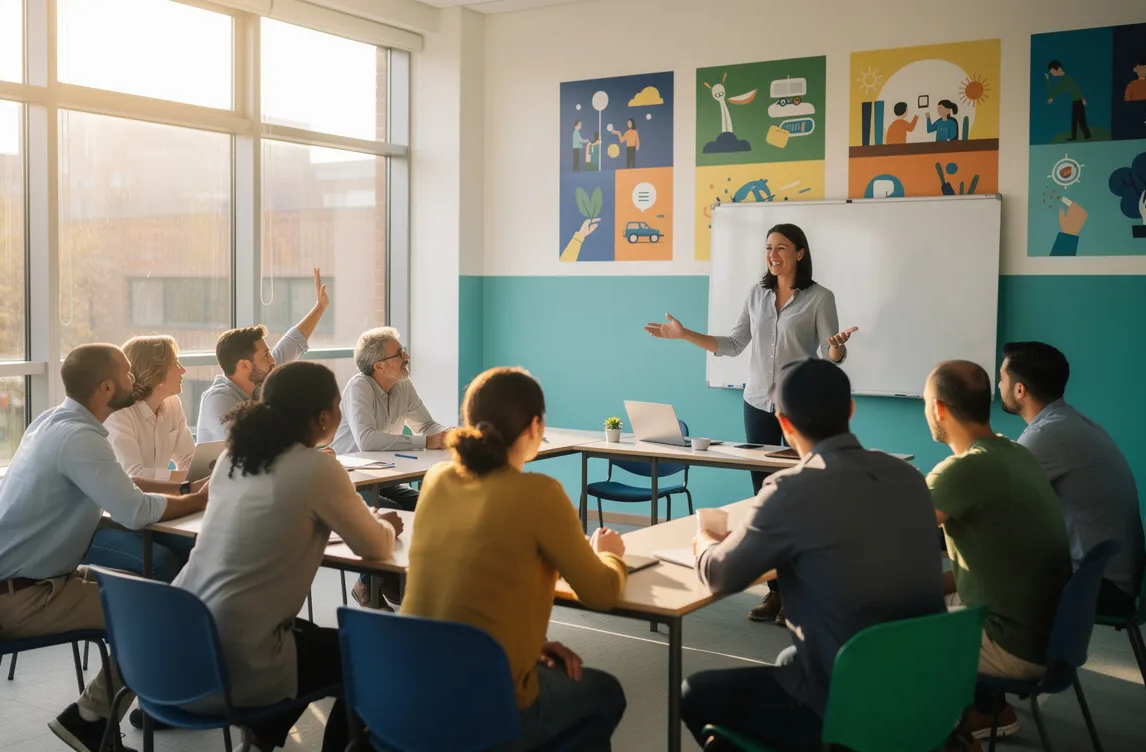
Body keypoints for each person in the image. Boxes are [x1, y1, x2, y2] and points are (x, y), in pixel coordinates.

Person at [681, 358, 945, 751]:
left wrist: (704, 540)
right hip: (926, 686)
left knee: (694, 691)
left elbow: (721, 575)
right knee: (789, 657)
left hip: (844, 701)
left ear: (784, 424)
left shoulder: (791, 488)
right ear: (852, 409)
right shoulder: (908, 476)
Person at [0, 344, 210, 752]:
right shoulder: (81, 438)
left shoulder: (52, 422)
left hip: (16, 587)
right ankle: (90, 718)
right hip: (20, 600)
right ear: (107, 386)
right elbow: (134, 510)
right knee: (159, 615)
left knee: (148, 595)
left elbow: (124, 489)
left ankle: (107, 715)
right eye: (129, 375)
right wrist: (199, 499)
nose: (135, 381)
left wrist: (183, 491)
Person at [173, 361, 402, 752]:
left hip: (177, 648)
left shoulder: (233, 458)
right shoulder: (317, 468)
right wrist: (388, 527)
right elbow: (374, 547)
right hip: (236, 664)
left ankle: (261, 740)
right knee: (371, 659)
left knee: (310, 639)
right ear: (324, 416)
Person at [401, 367, 628, 751]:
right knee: (606, 693)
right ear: (534, 427)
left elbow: (471, 589)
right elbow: (601, 592)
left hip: (410, 691)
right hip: (486, 704)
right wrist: (610, 557)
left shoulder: (437, 479)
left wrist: (527, 643)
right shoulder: (540, 493)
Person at [644, 223, 856, 624]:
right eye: (768, 248)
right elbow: (733, 344)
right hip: (758, 403)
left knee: (799, 498)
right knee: (763, 499)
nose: (773, 255)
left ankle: (800, 591)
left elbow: (831, 354)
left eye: (781, 248)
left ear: (800, 253)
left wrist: (838, 347)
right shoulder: (756, 295)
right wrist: (683, 334)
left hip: (799, 407)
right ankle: (776, 592)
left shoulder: (820, 298)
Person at [923, 360, 1071, 741]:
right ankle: (987, 711)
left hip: (1014, 647)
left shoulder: (963, 469)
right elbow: (982, 565)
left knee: (873, 630)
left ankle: (930, 733)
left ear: (938, 408)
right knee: (926, 597)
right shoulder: (1015, 452)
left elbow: (885, 535)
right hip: (1051, 635)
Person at [999, 342, 1146, 617]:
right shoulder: (1069, 422)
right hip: (1111, 574)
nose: (998, 385)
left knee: (987, 570)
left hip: (1100, 585)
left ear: (1019, 390)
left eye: (1002, 378)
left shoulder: (1046, 435)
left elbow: (995, 501)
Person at [89, 335, 198, 585]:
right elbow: (133, 475)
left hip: (148, 513)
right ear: (156, 373)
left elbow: (189, 459)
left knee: (200, 549)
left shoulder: (172, 404)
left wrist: (196, 477)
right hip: (110, 521)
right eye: (175, 364)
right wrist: (185, 482)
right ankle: (161, 622)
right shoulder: (119, 415)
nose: (183, 370)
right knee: (162, 562)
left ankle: (193, 621)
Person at [195, 268, 330, 442]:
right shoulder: (218, 399)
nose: (273, 359)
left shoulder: (258, 379)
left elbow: (292, 343)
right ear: (244, 365)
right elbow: (250, 445)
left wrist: (320, 307)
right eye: (266, 355)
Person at [330, 326, 450, 510]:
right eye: (399, 354)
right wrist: (426, 442)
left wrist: (447, 436)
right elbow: (367, 440)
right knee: (396, 512)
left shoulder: (403, 384)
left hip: (386, 479)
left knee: (433, 508)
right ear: (379, 366)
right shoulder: (359, 387)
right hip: (351, 483)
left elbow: (426, 425)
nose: (407, 358)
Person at [1046, 60, 1091, 141]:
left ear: (1058, 69)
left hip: (1078, 101)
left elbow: (1076, 88)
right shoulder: (1064, 79)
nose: (1052, 73)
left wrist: (1082, 99)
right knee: (1076, 120)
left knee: (1080, 121)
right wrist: (1052, 96)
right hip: (1076, 101)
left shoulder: (1066, 79)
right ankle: (1080, 136)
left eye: (1052, 71)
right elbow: (1057, 91)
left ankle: (1087, 135)